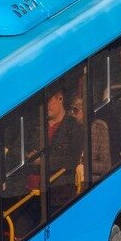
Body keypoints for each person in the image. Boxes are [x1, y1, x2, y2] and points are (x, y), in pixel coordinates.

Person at [44, 85, 85, 214]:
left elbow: (72, 161)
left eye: (49, 101)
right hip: (28, 194)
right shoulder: (37, 126)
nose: (45, 106)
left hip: (58, 194)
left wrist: (44, 162)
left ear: (60, 98)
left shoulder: (74, 127)